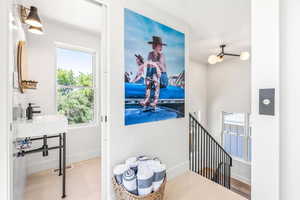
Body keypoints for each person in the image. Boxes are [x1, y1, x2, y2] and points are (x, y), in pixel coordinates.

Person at [139, 36, 168, 108]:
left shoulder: (162, 55)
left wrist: (155, 64)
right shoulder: (150, 54)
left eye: (158, 45)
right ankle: (147, 99)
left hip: (162, 79)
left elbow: (163, 69)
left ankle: (155, 100)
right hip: (152, 78)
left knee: (155, 71)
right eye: (155, 44)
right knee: (150, 72)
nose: (156, 46)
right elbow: (148, 65)